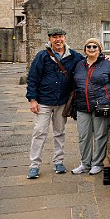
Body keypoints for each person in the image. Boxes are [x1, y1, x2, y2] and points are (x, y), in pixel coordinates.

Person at [26, 27, 84, 179]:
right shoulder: (42, 56)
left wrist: (105, 58)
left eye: (60, 37)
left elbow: (90, 60)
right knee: (39, 132)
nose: (58, 40)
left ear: (65, 38)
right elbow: (32, 78)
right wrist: (32, 100)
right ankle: (34, 165)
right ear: (50, 40)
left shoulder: (74, 56)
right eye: (54, 37)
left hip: (62, 102)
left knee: (59, 132)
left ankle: (58, 162)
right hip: (44, 101)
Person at [71, 38, 110, 176]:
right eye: (89, 46)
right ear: (85, 49)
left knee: (100, 136)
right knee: (83, 137)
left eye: (95, 46)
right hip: (82, 106)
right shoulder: (79, 65)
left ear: (100, 49)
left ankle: (97, 164)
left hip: (101, 105)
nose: (92, 48)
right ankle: (85, 164)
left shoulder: (108, 64)